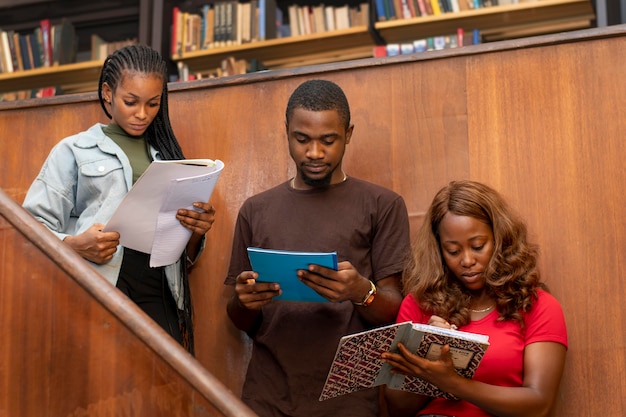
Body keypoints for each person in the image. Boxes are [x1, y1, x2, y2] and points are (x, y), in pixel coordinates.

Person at [224, 79, 411, 417]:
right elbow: (240, 320)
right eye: (302, 139)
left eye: (328, 140)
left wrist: (360, 291)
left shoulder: (382, 205)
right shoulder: (256, 210)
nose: (314, 152)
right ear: (287, 132)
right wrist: (245, 301)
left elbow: (395, 312)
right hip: (267, 397)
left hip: (348, 400)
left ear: (348, 134)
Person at [22, 44, 215, 353]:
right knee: (105, 384)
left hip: (159, 286)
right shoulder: (74, 150)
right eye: (131, 101)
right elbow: (28, 227)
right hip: (101, 279)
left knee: (164, 385)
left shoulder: (168, 156)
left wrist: (195, 230)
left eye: (153, 104)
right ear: (108, 93)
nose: (142, 114)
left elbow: (184, 254)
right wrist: (71, 245)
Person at [382, 180, 568, 417]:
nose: (467, 260)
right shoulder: (419, 304)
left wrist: (454, 383)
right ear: (439, 250)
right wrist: (427, 350)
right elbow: (397, 407)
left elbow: (538, 404)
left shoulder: (538, 306)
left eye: (478, 246)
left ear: (501, 240)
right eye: (453, 251)